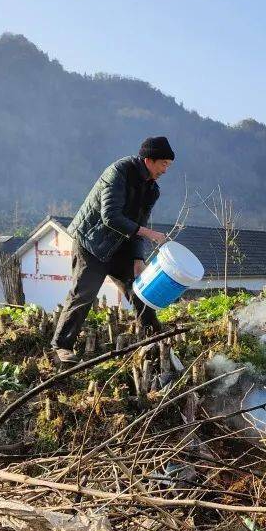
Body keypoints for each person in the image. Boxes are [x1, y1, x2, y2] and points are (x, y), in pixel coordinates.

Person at [51, 137, 175, 364]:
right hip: (92, 242)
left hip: (121, 246)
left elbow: (140, 221)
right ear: (149, 160)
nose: (166, 170)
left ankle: (155, 339)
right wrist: (148, 234)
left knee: (140, 289)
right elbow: (110, 216)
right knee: (84, 294)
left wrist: (138, 258)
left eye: (168, 165)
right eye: (163, 164)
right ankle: (61, 347)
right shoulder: (119, 172)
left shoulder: (152, 190)